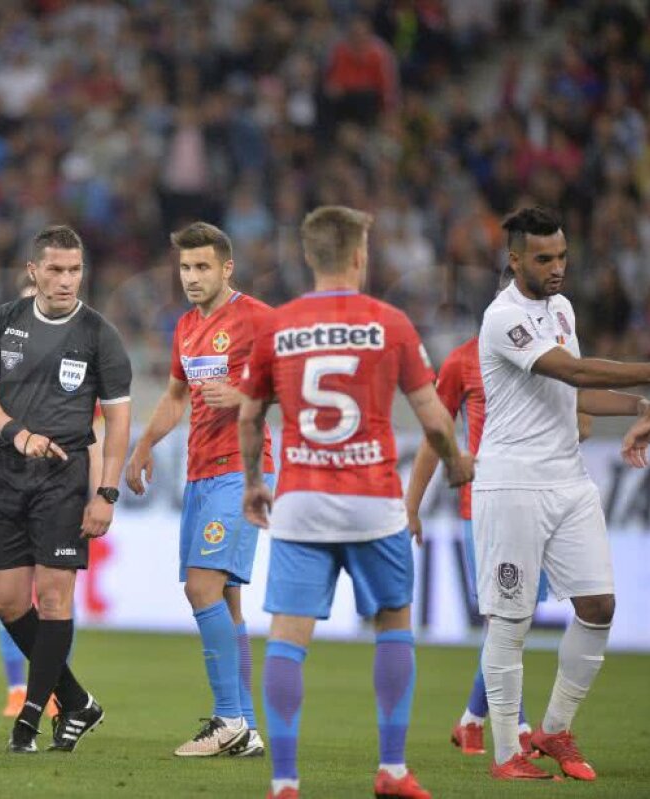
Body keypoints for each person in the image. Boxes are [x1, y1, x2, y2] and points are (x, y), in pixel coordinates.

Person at [238, 205, 474, 799]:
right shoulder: (389, 323)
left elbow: (248, 414)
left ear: (309, 256)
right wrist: (454, 464)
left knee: (287, 639)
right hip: (373, 502)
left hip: (301, 502)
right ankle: (391, 769)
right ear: (360, 256)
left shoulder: (278, 326)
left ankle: (285, 782)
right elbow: (434, 419)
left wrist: (251, 482)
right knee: (394, 627)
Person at [473, 206, 650, 781]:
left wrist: (642, 407)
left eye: (563, 256)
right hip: (513, 483)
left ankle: (552, 729)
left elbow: (573, 395)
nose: (557, 268)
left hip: (568, 480)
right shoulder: (503, 318)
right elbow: (574, 373)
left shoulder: (562, 309)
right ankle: (506, 754)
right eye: (544, 258)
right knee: (512, 619)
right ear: (515, 259)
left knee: (598, 606)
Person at [404, 266, 592, 758]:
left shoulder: (552, 349)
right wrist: (412, 503)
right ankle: (522, 728)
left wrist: (573, 416)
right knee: (505, 617)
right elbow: (435, 433)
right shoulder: (465, 360)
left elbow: (583, 417)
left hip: (542, 493)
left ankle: (471, 719)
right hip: (485, 502)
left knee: (517, 617)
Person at [0, 224, 132, 754]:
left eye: (74, 270)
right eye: (55, 270)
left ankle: (30, 721)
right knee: (8, 601)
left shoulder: (99, 334)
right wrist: (17, 435)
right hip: (9, 473)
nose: (66, 280)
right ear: (33, 272)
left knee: (55, 597)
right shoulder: (6, 321)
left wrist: (105, 494)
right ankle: (78, 699)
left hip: (64, 476)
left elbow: (119, 423)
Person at [125, 221, 272, 758]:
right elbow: (173, 396)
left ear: (226, 268)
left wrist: (244, 396)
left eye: (202, 266)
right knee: (226, 599)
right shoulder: (186, 326)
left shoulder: (258, 318)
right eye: (185, 267)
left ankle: (228, 719)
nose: (191, 276)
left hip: (243, 469)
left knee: (200, 588)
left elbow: (297, 382)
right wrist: (143, 446)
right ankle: (247, 730)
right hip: (200, 471)